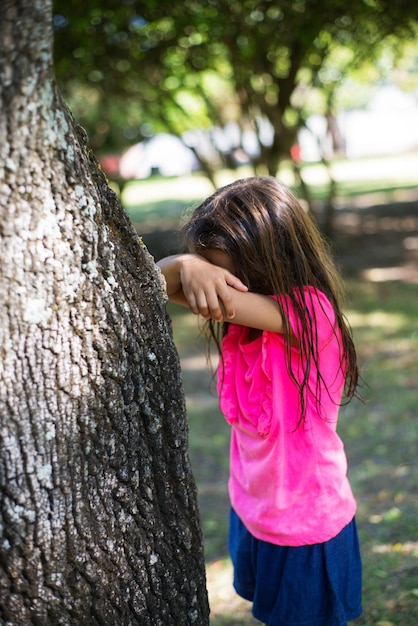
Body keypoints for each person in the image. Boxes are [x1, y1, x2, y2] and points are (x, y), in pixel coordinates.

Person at [157, 176, 362, 626]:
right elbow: (161, 283)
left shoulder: (311, 315)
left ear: (268, 259)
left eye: (226, 274)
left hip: (306, 524)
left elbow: (170, 286)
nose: (212, 291)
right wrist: (188, 264)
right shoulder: (250, 324)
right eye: (212, 273)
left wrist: (188, 267)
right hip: (253, 508)